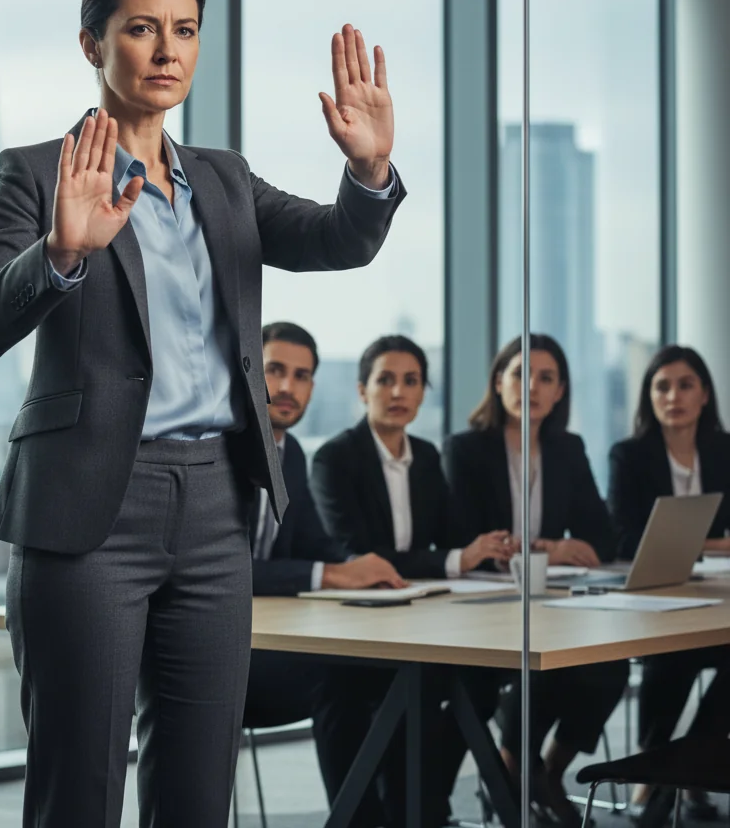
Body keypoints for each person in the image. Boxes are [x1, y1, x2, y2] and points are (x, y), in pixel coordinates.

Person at [0, 0, 404, 828]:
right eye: (142, 28)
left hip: (220, 509)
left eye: (184, 31)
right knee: (78, 789)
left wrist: (370, 172)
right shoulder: (38, 173)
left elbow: (336, 239)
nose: (166, 51)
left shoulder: (224, 179)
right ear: (93, 44)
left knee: (197, 790)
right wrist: (61, 253)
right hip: (90, 513)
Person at [311, 334, 515, 826]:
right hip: (359, 630)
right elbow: (359, 555)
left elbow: (450, 539)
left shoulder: (426, 457)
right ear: (363, 390)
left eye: (411, 381)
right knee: (381, 693)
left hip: (422, 624)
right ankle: (391, 811)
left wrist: (483, 552)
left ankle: (420, 805)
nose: (398, 392)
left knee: (481, 680)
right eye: (385, 380)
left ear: (424, 393)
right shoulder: (334, 459)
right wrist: (453, 559)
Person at [443, 334, 628, 828]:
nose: (532, 386)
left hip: (550, 601)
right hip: (482, 607)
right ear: (499, 381)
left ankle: (544, 772)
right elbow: (468, 539)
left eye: (546, 377)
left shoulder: (568, 448)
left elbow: (601, 539)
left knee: (610, 669)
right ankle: (512, 770)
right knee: (538, 664)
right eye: (521, 373)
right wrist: (550, 545)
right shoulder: (465, 450)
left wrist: (542, 547)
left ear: (561, 390)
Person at [246, 322, 406, 822]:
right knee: (339, 677)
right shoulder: (218, 449)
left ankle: (408, 813)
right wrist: (333, 577)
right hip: (216, 659)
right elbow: (221, 569)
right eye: (275, 370)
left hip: (269, 642)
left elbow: (316, 544)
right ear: (249, 371)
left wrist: (361, 569)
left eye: (303, 375)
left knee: (396, 672)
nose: (289, 387)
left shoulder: (291, 455)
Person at [608, 345, 730, 820]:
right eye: (661, 386)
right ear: (648, 396)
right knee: (670, 656)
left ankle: (681, 768)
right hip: (654, 597)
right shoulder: (630, 455)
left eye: (685, 385)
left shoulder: (724, 450)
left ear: (704, 395)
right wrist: (716, 543)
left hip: (716, 598)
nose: (673, 396)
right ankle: (659, 776)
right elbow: (622, 536)